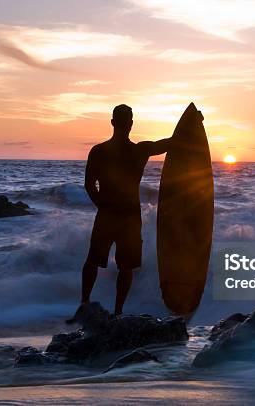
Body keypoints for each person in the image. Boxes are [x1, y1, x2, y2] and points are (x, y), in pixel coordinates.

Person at [81, 104, 172, 315]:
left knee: (93, 261)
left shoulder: (99, 151)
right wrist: (190, 128)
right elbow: (168, 144)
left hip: (107, 214)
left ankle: (84, 303)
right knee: (126, 266)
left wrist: (102, 206)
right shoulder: (139, 150)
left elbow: (88, 184)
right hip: (130, 217)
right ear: (131, 123)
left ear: (112, 122)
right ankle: (118, 312)